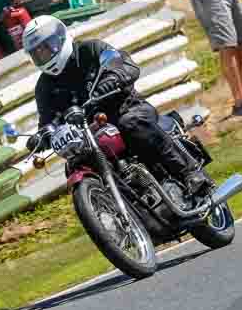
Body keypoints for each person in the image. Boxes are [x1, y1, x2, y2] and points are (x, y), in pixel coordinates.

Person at [23, 15, 209, 194]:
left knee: (131, 122)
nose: (43, 54)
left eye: (47, 48)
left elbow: (124, 65)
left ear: (61, 38)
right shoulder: (44, 86)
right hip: (89, 132)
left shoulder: (91, 49)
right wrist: (41, 136)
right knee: (75, 163)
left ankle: (190, 172)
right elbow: (48, 119)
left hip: (125, 107)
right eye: (37, 53)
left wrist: (114, 78)